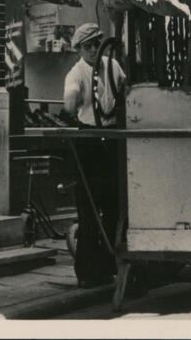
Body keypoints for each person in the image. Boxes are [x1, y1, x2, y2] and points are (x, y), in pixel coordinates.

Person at [63, 23, 125, 288]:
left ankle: (110, 265)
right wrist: (75, 98)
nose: (92, 50)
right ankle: (87, 272)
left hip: (111, 138)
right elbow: (69, 105)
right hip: (88, 140)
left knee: (112, 204)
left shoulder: (112, 66)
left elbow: (125, 91)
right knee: (88, 208)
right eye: (87, 46)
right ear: (79, 49)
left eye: (96, 44)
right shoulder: (75, 73)